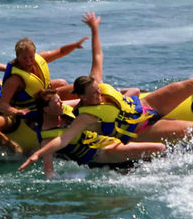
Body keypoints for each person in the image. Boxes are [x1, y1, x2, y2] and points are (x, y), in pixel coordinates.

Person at [19, 22, 193, 171]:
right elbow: (62, 140)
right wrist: (38, 154)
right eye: (94, 94)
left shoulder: (97, 84)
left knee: (192, 83)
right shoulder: (85, 115)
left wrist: (94, 29)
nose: (99, 93)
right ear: (84, 97)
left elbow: (97, 57)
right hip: (140, 128)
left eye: (98, 89)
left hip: (145, 105)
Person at [19, 13, 166, 177]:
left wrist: (94, 28)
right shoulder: (47, 137)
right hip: (98, 153)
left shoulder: (69, 108)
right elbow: (50, 171)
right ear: (46, 109)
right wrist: (36, 157)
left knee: (157, 145)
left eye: (60, 100)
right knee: (158, 148)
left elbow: (98, 57)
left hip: (105, 139)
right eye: (57, 103)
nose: (62, 104)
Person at [0, 34, 88, 152]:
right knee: (76, 102)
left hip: (46, 100)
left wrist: (75, 45)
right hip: (31, 112)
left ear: (35, 54)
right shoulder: (15, 79)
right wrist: (17, 111)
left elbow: (60, 51)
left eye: (31, 57)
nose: (29, 61)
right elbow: (3, 105)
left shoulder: (39, 59)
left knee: (81, 88)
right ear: (17, 57)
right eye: (24, 58)